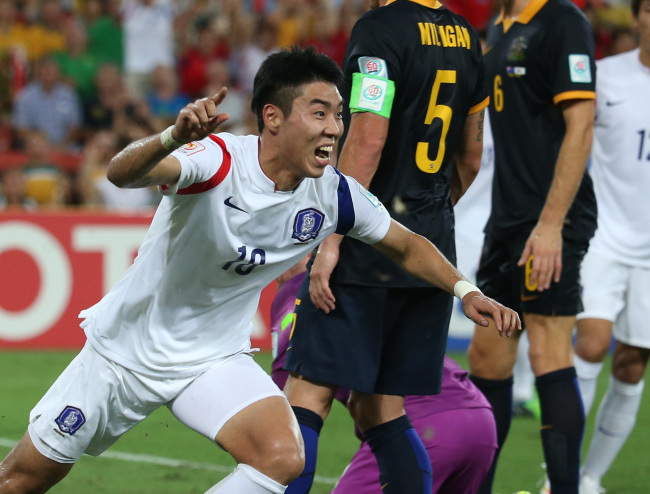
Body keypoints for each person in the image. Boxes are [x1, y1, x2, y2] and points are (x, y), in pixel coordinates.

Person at [0, 46, 519, 494]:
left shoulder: (333, 193)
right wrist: (170, 139)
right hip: (123, 354)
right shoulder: (218, 160)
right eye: (320, 114)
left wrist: (463, 289)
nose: (334, 129)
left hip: (211, 361)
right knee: (22, 479)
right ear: (273, 117)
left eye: (339, 116)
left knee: (282, 457)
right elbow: (121, 173)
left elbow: (405, 246)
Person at [282, 1, 490, 493]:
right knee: (381, 406)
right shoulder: (467, 38)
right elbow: (471, 154)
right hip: (429, 250)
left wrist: (333, 237)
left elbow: (369, 138)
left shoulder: (379, 31)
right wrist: (427, 221)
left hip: (367, 242)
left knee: (307, 394)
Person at [465, 0, 598, 491]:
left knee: (547, 354)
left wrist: (551, 226)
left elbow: (581, 125)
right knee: (487, 358)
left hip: (551, 220)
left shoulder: (562, 22)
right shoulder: (497, 28)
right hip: (507, 218)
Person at [271, 267, 498, 494]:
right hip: (478, 419)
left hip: (420, 427)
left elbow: (289, 417)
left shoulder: (300, 292)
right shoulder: (361, 275)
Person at [572, 1, 650, 492]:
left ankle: (589, 477)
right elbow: (570, 140)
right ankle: (559, 470)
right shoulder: (603, 77)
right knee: (593, 344)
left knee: (633, 361)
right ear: (638, 16)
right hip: (603, 234)